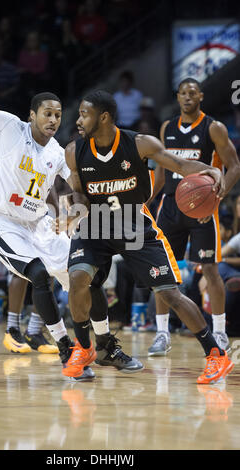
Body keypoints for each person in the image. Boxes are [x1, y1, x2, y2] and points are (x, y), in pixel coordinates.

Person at [57, 89, 234, 384]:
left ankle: (216, 354)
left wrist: (209, 171)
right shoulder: (74, 150)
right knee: (77, 277)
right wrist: (74, 207)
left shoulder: (139, 143)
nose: (78, 120)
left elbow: (178, 165)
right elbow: (76, 188)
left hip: (133, 224)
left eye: (84, 114)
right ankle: (84, 347)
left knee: (168, 293)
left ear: (103, 117)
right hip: (96, 224)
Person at [0, 31, 94, 380]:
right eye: (47, 113)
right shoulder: (7, 126)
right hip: (0, 221)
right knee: (38, 275)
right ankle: (64, 349)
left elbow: (72, 189)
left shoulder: (59, 152)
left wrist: (76, 209)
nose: (54, 119)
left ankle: (99, 343)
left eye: (58, 114)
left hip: (38, 223)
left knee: (82, 273)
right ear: (31, 115)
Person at [146, 78, 240, 356]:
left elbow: (234, 166)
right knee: (163, 270)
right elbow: (161, 172)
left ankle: (220, 333)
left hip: (202, 208)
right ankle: (162, 333)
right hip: (171, 206)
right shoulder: (167, 127)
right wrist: (147, 200)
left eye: (192, 93)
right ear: (177, 97)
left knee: (210, 269)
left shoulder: (214, 128)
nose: (187, 97)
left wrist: (217, 197)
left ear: (200, 95)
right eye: (182, 93)